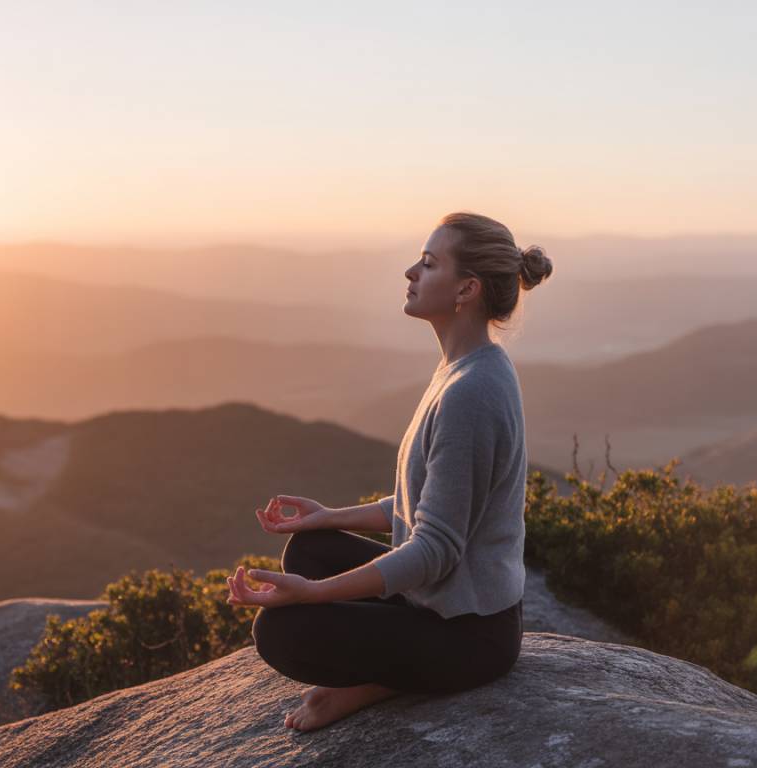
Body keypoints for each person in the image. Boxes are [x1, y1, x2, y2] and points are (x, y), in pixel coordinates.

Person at [226, 211, 553, 732]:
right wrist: (329, 516)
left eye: (428, 264)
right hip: (446, 601)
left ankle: (384, 679)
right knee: (312, 548)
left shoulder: (471, 392)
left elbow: (436, 547)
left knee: (280, 632)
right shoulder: (465, 366)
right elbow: (431, 505)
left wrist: (313, 594)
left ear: (466, 288)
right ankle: (394, 661)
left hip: (471, 635)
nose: (410, 273)